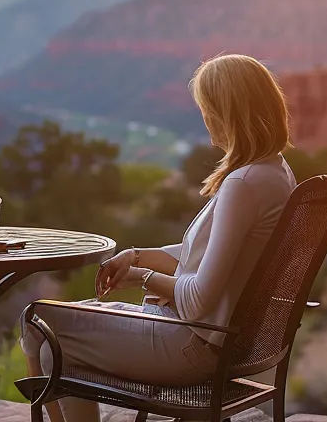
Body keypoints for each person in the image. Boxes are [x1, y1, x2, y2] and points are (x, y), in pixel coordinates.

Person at [19, 54, 297, 422]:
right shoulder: (274, 172)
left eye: (206, 107)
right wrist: (136, 256)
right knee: (58, 331)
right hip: (213, 340)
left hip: (189, 346)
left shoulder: (243, 185)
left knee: (37, 318)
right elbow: (205, 257)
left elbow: (198, 300)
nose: (202, 116)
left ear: (225, 112)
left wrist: (144, 279)